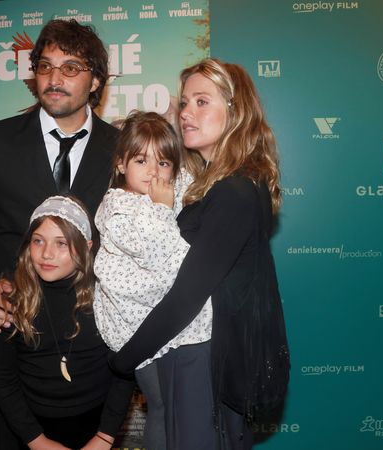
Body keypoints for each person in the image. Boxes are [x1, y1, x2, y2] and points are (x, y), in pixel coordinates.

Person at [0, 19, 118, 449]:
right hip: (12, 338)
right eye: (45, 66)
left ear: (96, 80)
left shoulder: (123, 150)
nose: (54, 78)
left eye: (71, 68)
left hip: (94, 346)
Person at [109, 59, 290, 450]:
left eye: (202, 101)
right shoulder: (221, 184)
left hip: (206, 364)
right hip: (201, 359)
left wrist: (124, 360)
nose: (186, 112)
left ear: (236, 111)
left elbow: (186, 297)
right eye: (185, 103)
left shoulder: (234, 192)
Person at [92, 111, 212, 450]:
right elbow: (163, 255)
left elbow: (190, 183)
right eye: (141, 160)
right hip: (136, 330)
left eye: (163, 163)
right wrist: (162, 207)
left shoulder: (167, 190)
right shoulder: (118, 207)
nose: (153, 172)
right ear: (121, 164)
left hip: (166, 324)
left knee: (180, 408)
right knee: (161, 406)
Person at [0, 196, 133, 450]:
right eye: (38, 241)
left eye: (61, 243)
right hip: (32, 428)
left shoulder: (108, 298)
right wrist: (37, 441)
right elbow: (3, 378)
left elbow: (124, 371)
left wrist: (105, 436)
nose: (47, 253)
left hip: (98, 425)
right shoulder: (10, 301)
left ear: (86, 247)